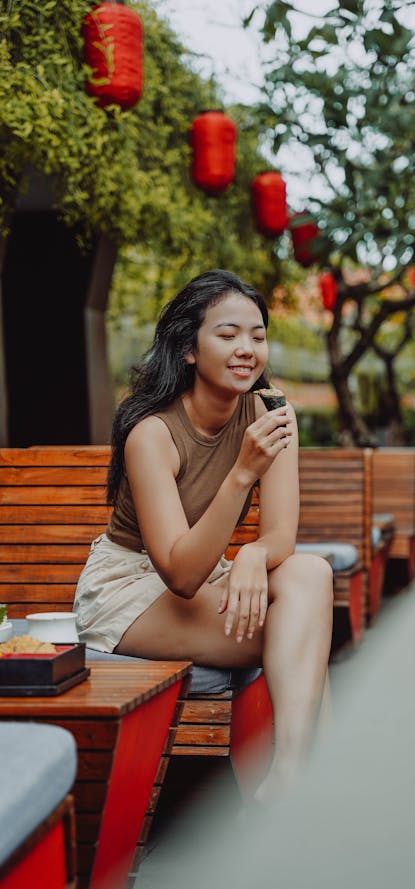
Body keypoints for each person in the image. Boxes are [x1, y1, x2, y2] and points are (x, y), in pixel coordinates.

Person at [73, 269, 333, 804]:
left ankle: (289, 777)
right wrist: (242, 472)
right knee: (303, 632)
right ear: (189, 349)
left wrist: (252, 556)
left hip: (209, 573)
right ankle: (306, 787)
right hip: (130, 590)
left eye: (257, 336)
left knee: (312, 573)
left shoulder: (272, 412)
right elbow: (182, 574)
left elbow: (282, 533)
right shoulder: (153, 434)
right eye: (228, 334)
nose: (247, 349)